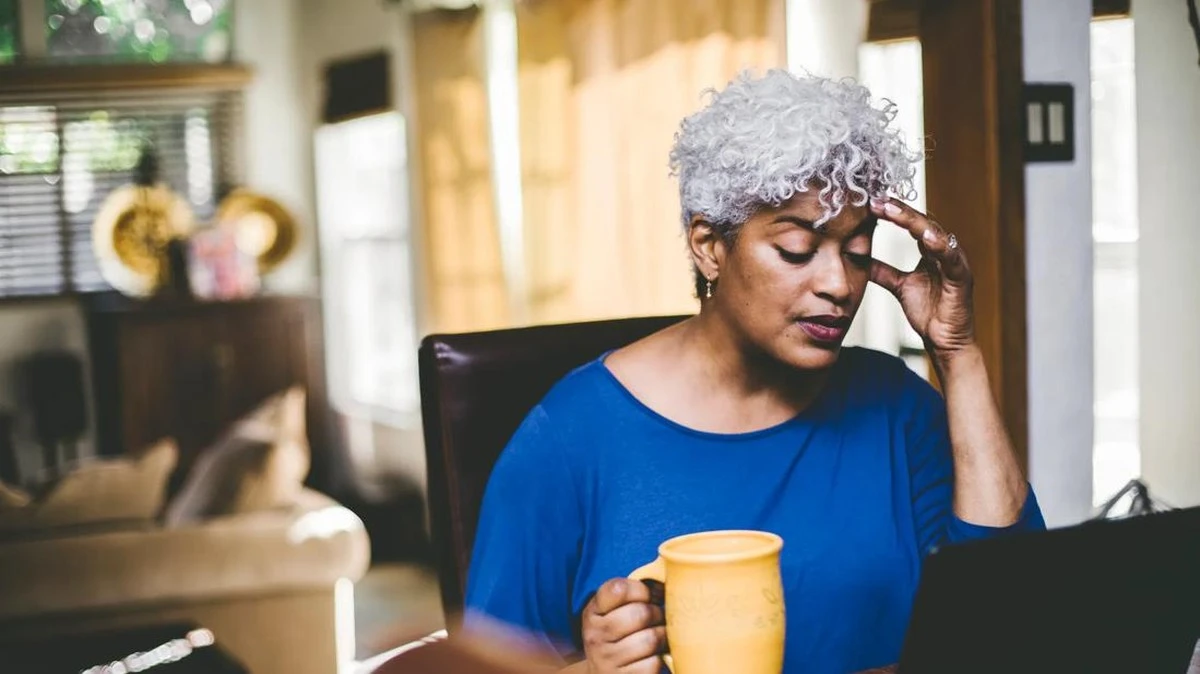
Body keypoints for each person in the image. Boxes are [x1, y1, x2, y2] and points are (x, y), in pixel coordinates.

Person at [462, 69, 1045, 674]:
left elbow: (1012, 614)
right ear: (709, 246)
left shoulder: (894, 408)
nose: (839, 284)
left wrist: (957, 352)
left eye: (857, 251)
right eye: (797, 250)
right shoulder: (568, 439)